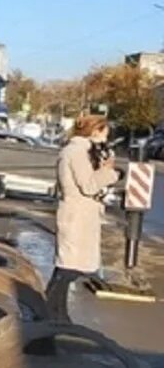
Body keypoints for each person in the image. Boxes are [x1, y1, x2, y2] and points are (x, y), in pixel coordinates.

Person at [47, 114, 119, 320]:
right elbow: (88, 185)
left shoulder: (76, 149)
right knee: (69, 267)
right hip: (78, 214)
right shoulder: (77, 152)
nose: (105, 139)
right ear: (95, 131)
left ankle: (56, 313)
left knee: (69, 266)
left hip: (79, 213)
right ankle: (48, 312)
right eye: (104, 134)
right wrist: (110, 173)